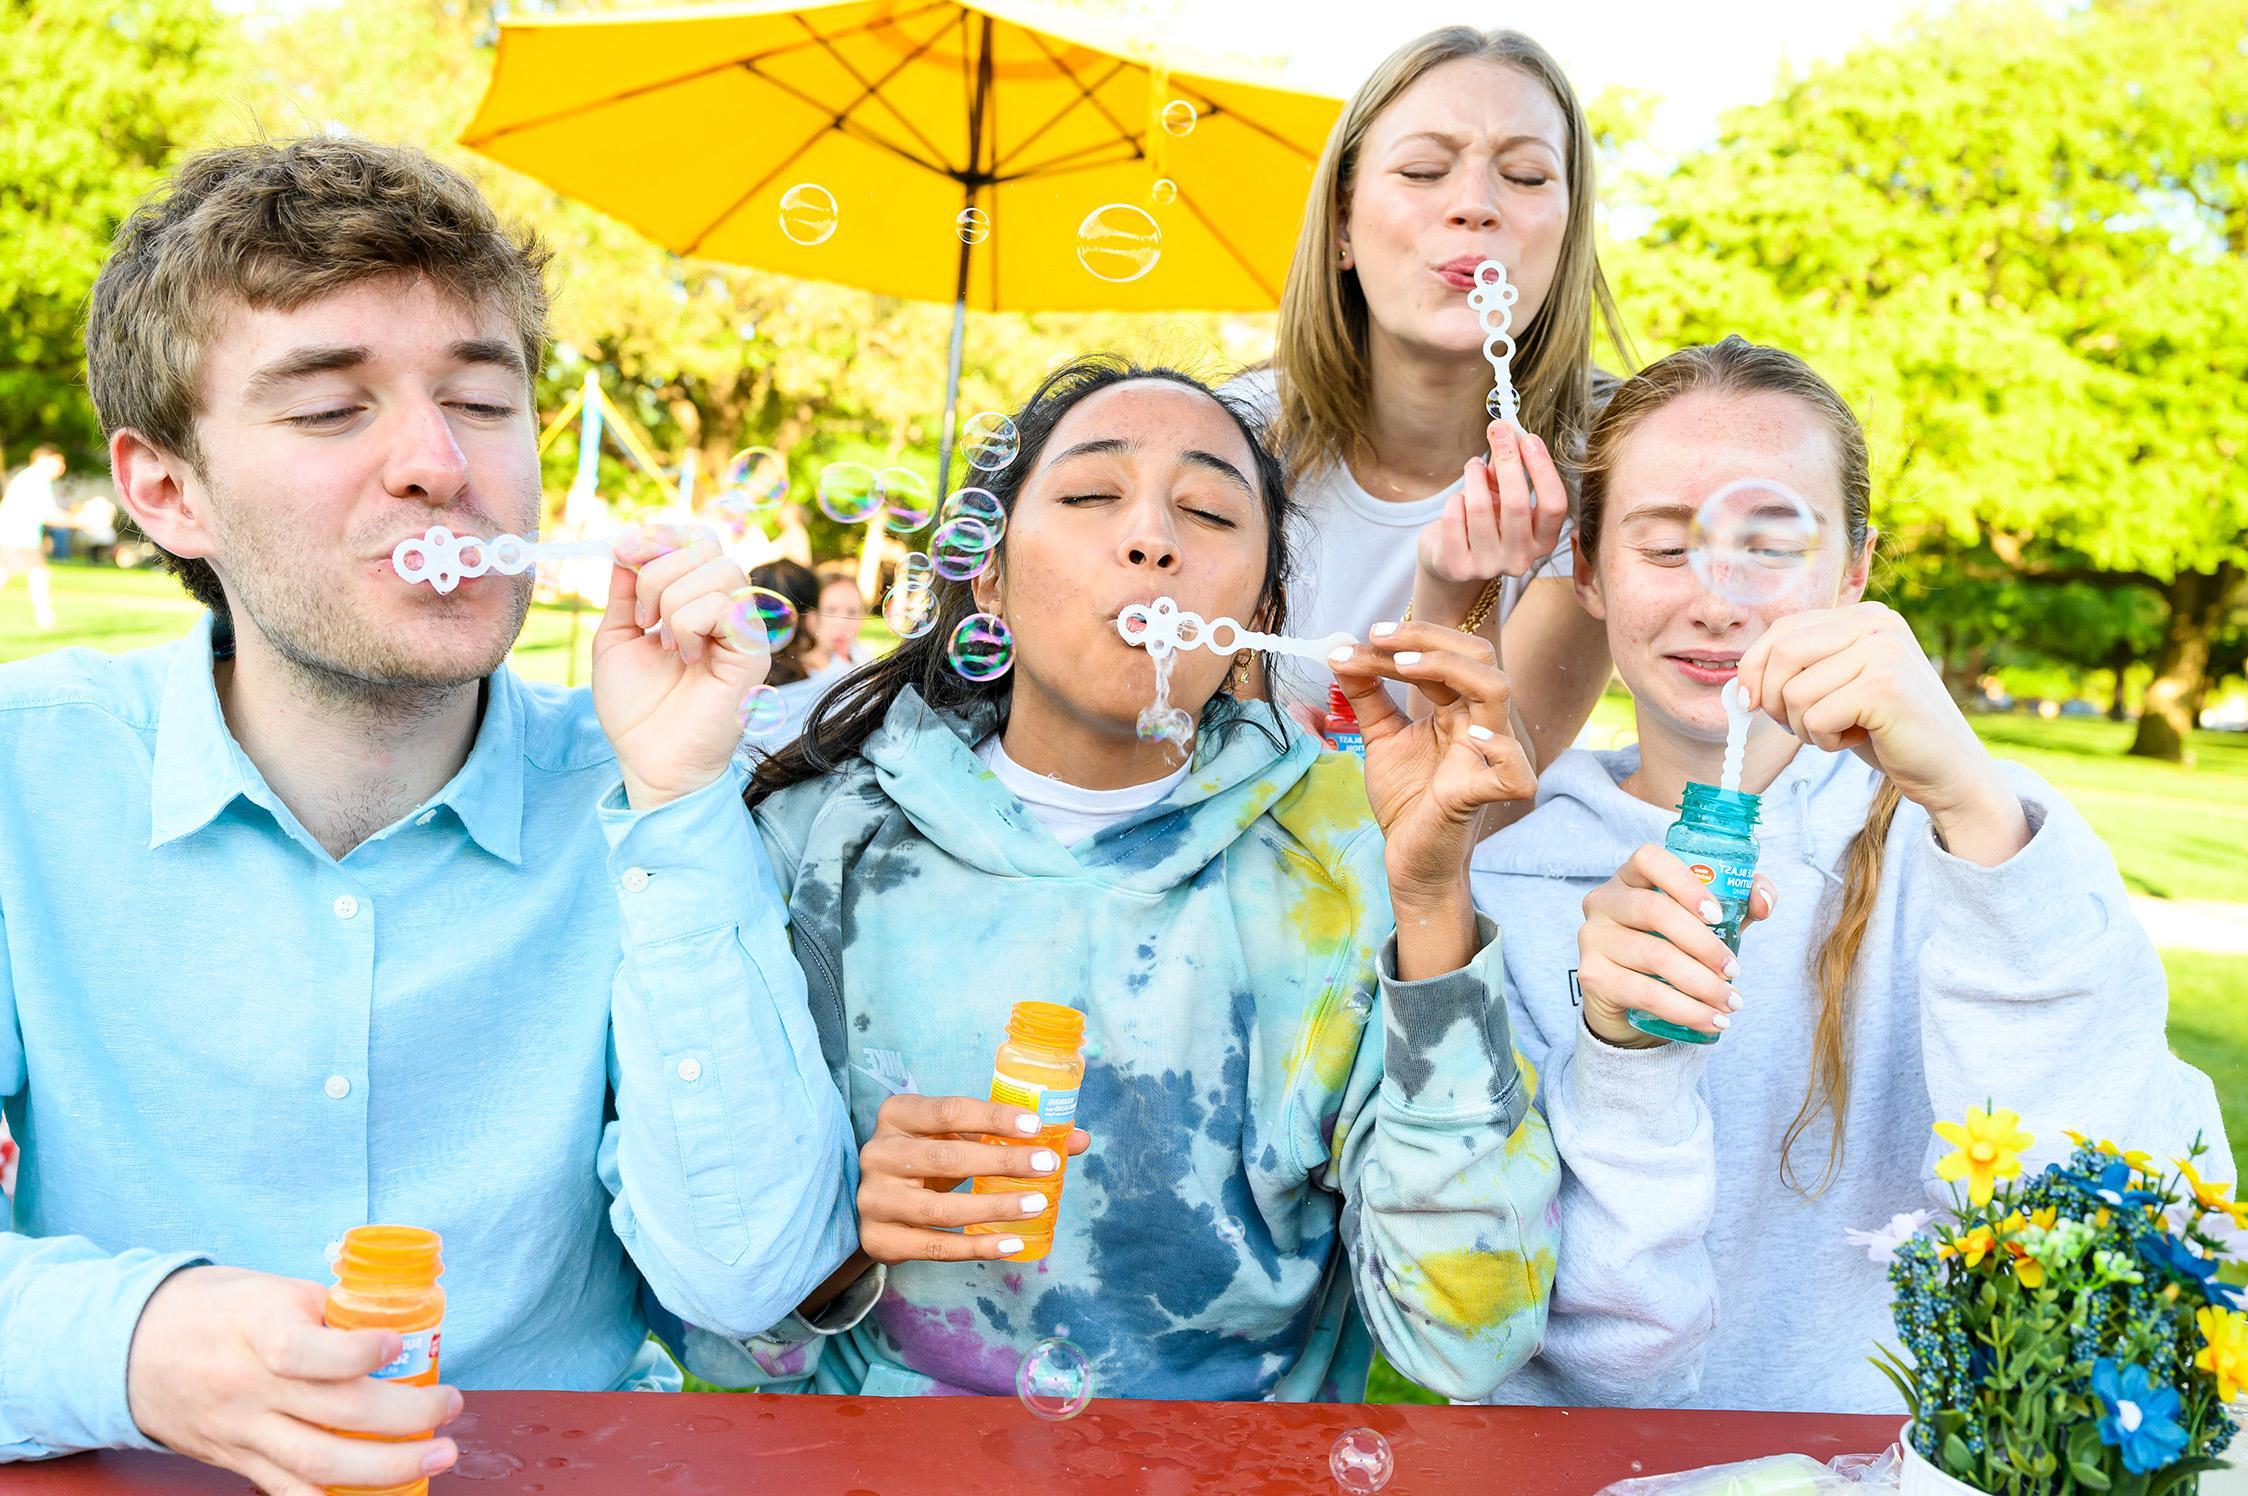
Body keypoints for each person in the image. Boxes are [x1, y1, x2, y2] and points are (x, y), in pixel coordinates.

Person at [0, 137, 855, 1490]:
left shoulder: (647, 792)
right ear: (167, 491)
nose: (438, 464)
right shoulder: (24, 780)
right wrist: (133, 1346)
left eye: (482, 398)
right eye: (332, 410)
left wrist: (680, 803)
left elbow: (749, 1279)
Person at [683, 356, 1561, 1404]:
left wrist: (1427, 899)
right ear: (990, 577)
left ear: (1262, 601)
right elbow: (711, 1322)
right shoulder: (816, 837)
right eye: (1092, 494)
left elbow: (1466, 1340)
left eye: (1206, 510)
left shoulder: (1352, 853)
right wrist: (833, 1244)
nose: (1150, 538)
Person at [1471, 336, 2234, 1414]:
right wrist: (1622, 1059)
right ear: (1587, 570)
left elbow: (2127, 1237)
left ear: (1855, 569)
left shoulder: (1982, 832)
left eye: (1769, 542)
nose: (1718, 600)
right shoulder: (1510, 883)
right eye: (1662, 546)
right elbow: (1586, 1366)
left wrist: (1975, 811)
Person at [1242, 26, 1628, 787]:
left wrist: (1451, 602)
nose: (1475, 206)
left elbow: (1491, 801)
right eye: (1423, 170)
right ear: (1343, 224)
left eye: (1524, 177)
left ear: (1568, 233)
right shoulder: (1233, 439)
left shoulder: (1606, 479)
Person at [0, 445, 67, 629]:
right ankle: (45, 617)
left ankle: (44, 616)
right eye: (59, 462)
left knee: (18, 573)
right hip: (19, 536)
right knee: (38, 574)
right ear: (45, 460)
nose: (62, 467)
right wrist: (83, 520)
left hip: (14, 535)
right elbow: (49, 515)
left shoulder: (29, 477)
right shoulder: (35, 479)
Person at [812, 564, 869, 668]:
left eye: (852, 612)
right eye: (831, 610)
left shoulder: (865, 664)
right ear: (812, 616)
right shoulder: (787, 671)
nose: (842, 622)